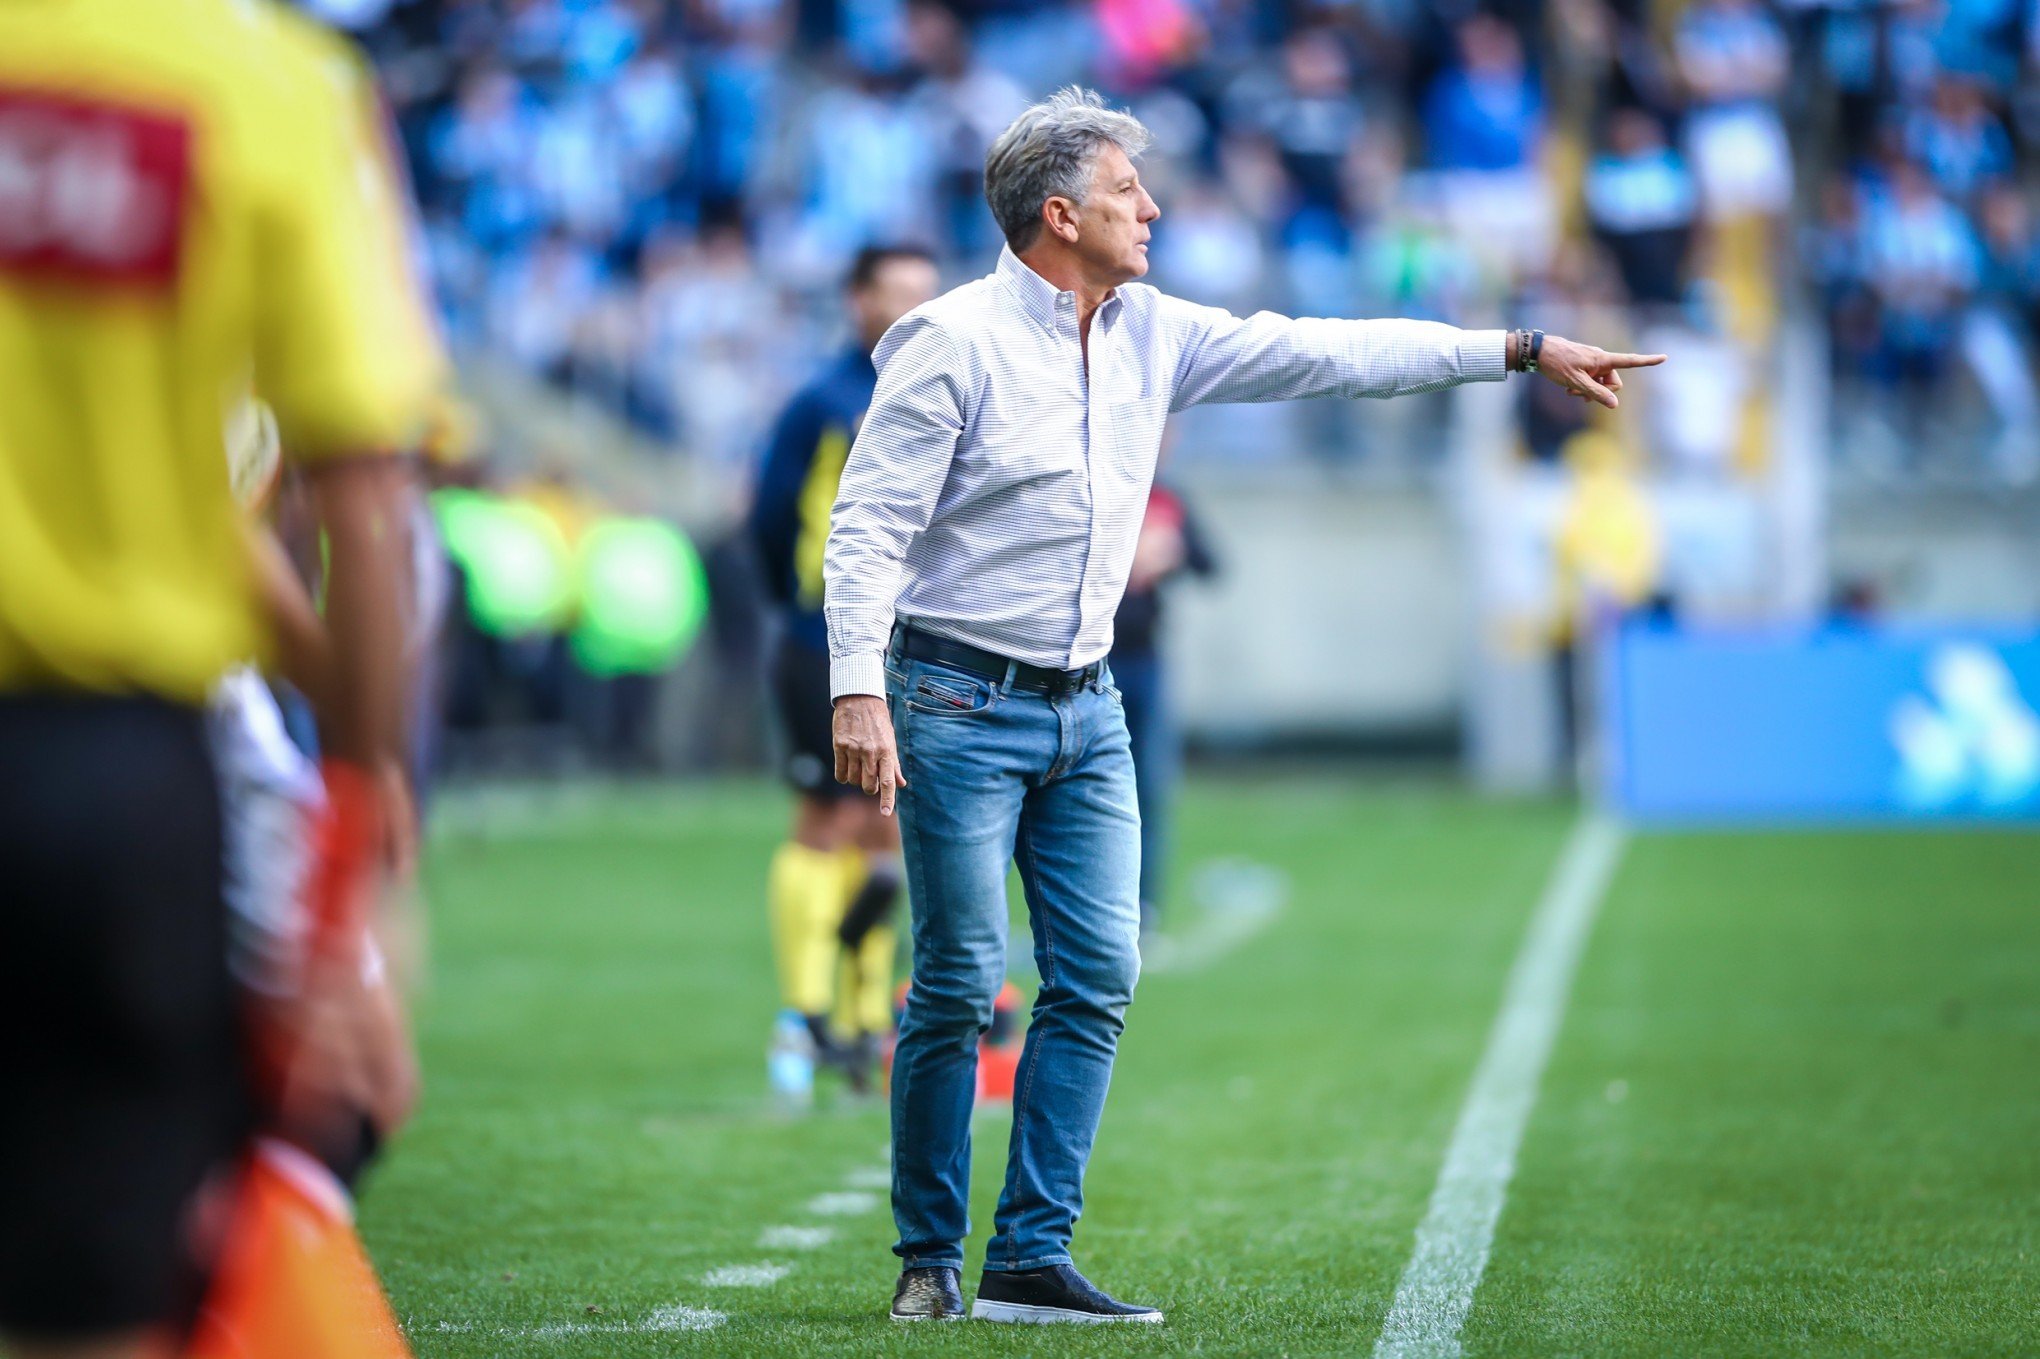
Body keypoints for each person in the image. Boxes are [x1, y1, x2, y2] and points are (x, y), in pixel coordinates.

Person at [824, 85, 1665, 1325]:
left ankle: (1028, 1257)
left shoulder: (1155, 328)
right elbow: (867, 528)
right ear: (1059, 215)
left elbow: (1329, 353)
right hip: (954, 696)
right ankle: (929, 1263)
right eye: (1126, 192)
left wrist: (1521, 349)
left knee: (1101, 973)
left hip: (1090, 707)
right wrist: (858, 691)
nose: (1152, 209)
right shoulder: (949, 343)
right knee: (956, 982)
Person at [0, 1, 436, 1353]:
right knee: (99, 1294)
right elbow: (364, 503)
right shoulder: (262, 85)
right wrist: (361, 805)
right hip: (111, 764)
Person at [750, 245, 941, 1102]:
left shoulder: (941, 385)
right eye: (893, 292)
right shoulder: (822, 402)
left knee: (884, 828)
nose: (908, 308)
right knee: (825, 816)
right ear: (857, 299)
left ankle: (867, 1017)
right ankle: (803, 1011)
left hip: (909, 640)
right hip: (818, 637)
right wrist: (799, 608)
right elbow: (768, 515)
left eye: (921, 294)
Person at [1109, 483, 1217, 936]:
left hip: (1146, 662)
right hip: (1093, 663)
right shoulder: (1098, 484)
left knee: (1147, 787)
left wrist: (1169, 552)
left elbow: (1209, 564)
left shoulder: (1168, 500)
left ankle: (1143, 906)